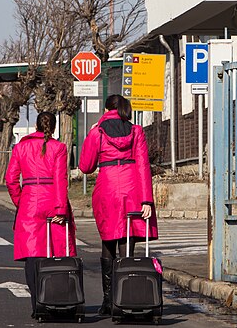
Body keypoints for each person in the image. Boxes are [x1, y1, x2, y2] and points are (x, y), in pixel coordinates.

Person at [79, 94, 158, 316]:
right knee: (128, 239)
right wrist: (146, 200)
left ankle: (108, 299)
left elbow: (85, 166)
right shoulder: (136, 131)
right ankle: (125, 297)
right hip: (132, 187)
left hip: (108, 188)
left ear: (106, 110)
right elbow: (143, 166)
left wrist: (92, 134)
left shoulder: (98, 132)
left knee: (108, 240)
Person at [5, 112, 76, 318]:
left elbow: (10, 179)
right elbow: (61, 181)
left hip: (29, 201)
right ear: (53, 127)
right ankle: (57, 300)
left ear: (36, 126)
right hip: (53, 200)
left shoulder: (21, 147)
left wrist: (21, 201)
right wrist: (61, 210)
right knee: (57, 252)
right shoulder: (59, 148)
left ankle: (37, 304)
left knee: (32, 255)